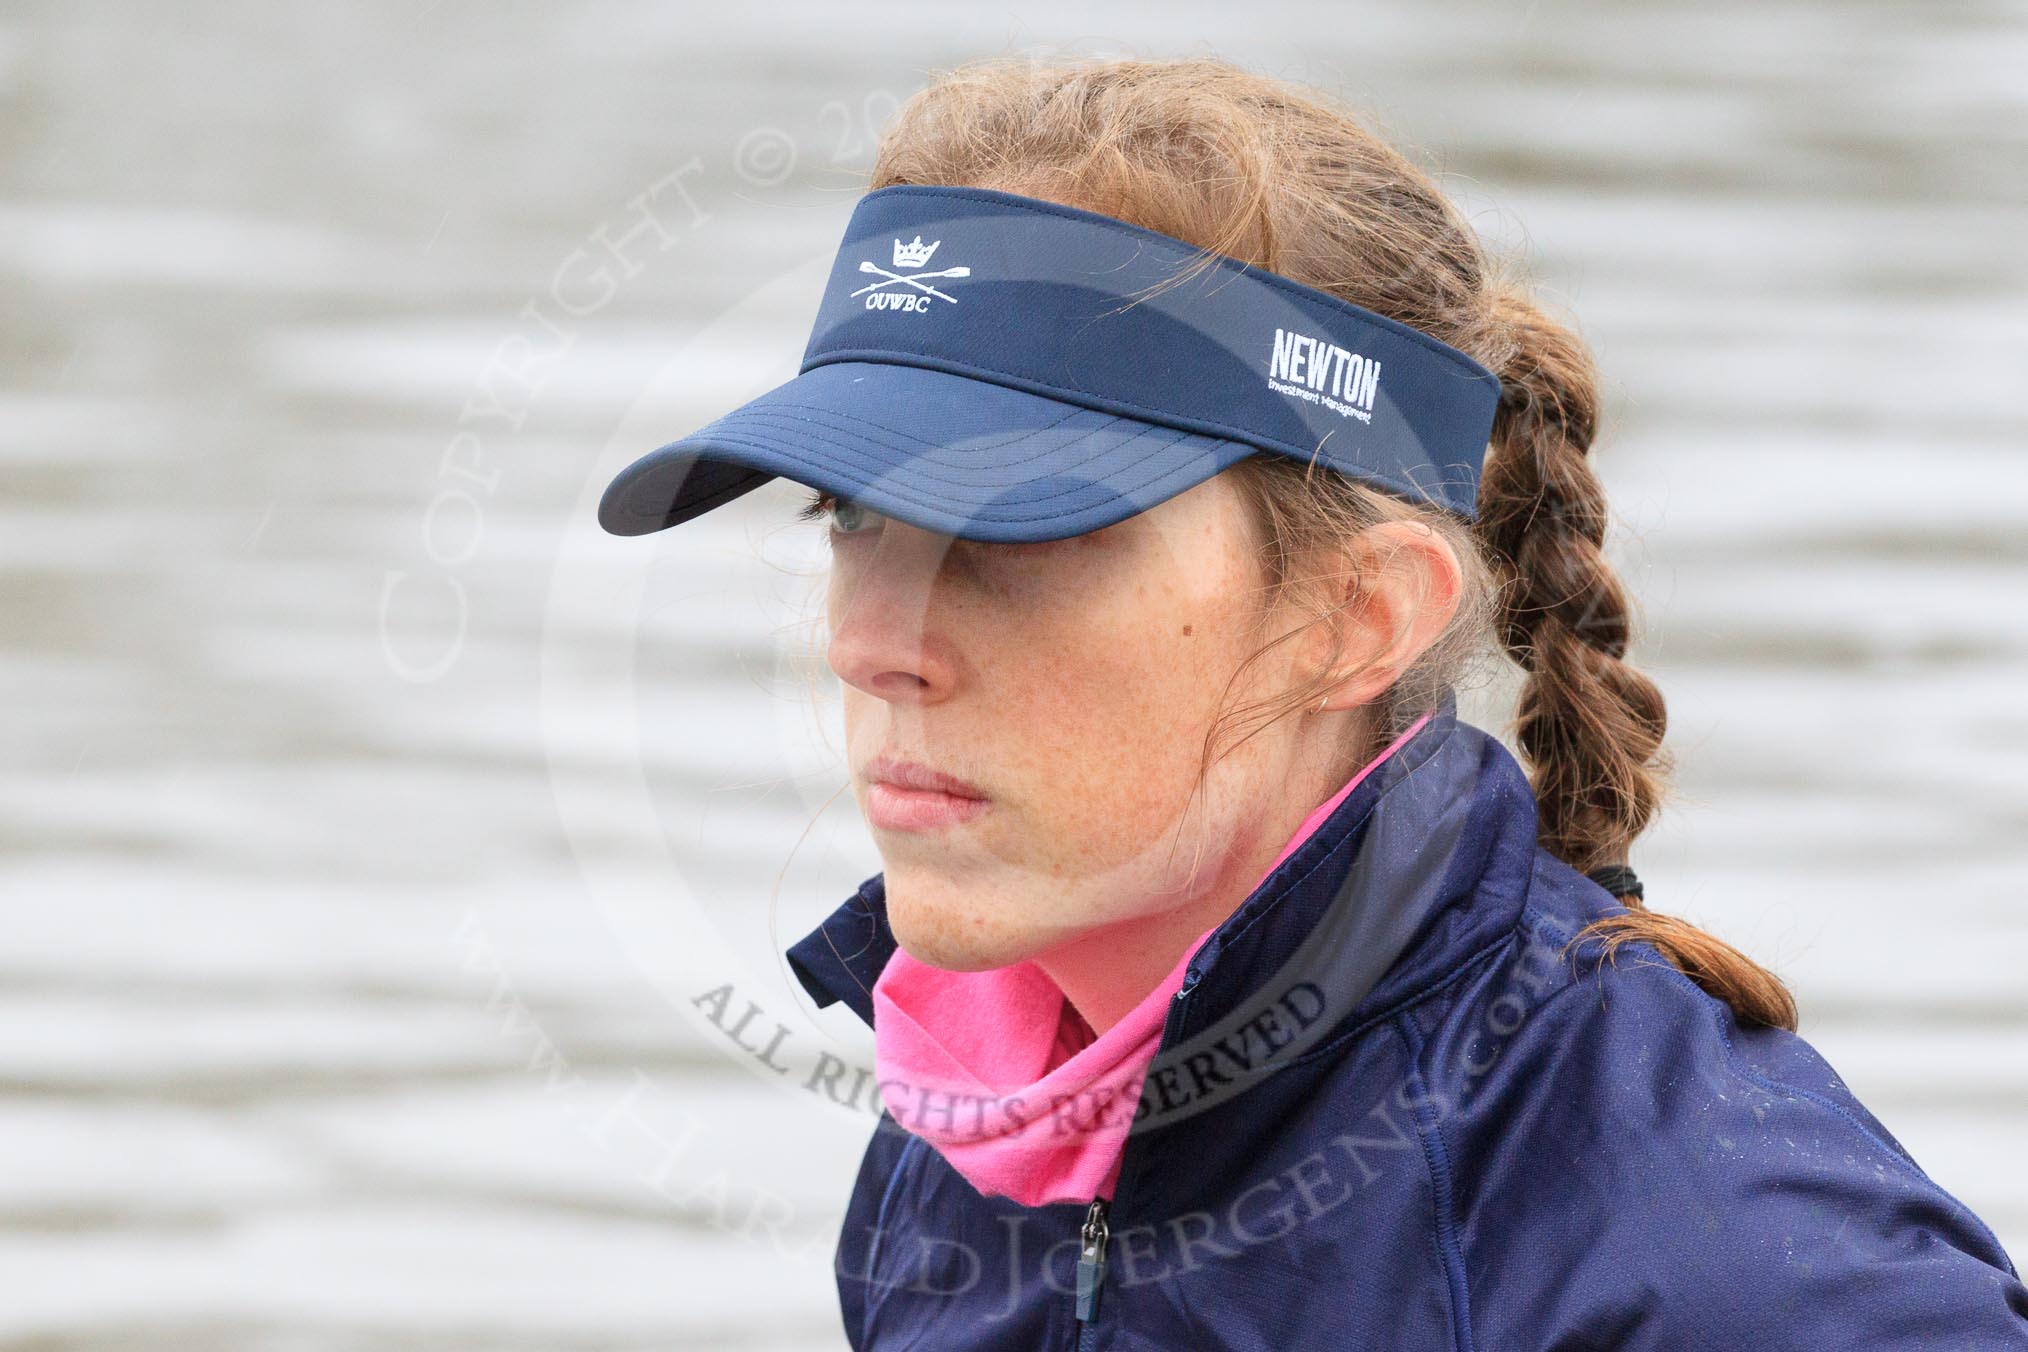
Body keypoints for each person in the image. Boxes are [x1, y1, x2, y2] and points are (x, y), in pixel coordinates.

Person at [597, 54, 2027, 1350]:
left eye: (1019, 531)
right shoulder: (981, 1125)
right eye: (850, 512)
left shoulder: (1704, 1256)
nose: (873, 644)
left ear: (1357, 619)